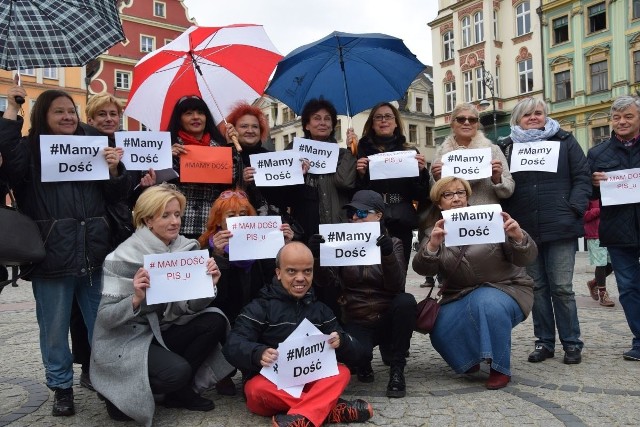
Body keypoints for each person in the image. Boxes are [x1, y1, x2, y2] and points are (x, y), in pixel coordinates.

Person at [0, 83, 129, 416]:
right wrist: (14, 110)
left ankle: (109, 388)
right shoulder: (30, 151)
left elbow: (115, 196)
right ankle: (61, 387)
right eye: (59, 111)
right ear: (44, 115)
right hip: (51, 254)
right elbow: (7, 154)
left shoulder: (94, 147)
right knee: (54, 329)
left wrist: (115, 169)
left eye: (71, 110)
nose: (68, 116)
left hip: (94, 253)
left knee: (101, 328)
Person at [91, 184, 234, 425]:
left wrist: (209, 285)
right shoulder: (122, 258)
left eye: (177, 214)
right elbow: (106, 318)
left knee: (216, 319)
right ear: (147, 220)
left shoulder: (185, 249)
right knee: (175, 372)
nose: (175, 221)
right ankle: (116, 391)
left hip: (163, 329)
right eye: (165, 215)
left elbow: (192, 307)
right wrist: (135, 299)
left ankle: (181, 390)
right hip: (129, 338)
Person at [222, 242, 373, 427]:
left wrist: (342, 342)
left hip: (311, 379)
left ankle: (306, 415)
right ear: (278, 273)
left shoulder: (321, 310)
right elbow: (233, 344)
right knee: (254, 390)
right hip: (271, 384)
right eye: (292, 271)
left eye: (307, 271)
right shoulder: (260, 307)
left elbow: (358, 354)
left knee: (342, 372)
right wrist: (257, 352)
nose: (300, 278)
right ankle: (329, 409)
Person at [412, 177, 537, 389]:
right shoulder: (433, 231)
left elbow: (526, 258)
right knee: (440, 328)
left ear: (468, 196)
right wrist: (433, 246)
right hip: (459, 295)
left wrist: (518, 237)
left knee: (486, 303)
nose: (456, 198)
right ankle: (468, 359)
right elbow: (422, 268)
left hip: (507, 288)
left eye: (460, 193)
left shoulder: (493, 219)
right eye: (448, 195)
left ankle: (499, 367)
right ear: (438, 203)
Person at [501, 97, 591, 365]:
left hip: (561, 225)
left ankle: (572, 343)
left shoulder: (564, 141)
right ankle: (544, 343)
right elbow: (502, 186)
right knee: (537, 288)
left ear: (545, 116)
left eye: (538, 113)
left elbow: (583, 177)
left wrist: (574, 208)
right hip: (524, 229)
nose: (533, 118)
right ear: (517, 119)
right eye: (527, 114)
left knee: (562, 288)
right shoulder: (506, 147)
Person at [311, 190, 416, 398]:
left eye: (360, 212)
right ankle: (364, 361)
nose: (354, 218)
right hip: (357, 319)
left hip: (386, 317)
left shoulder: (393, 243)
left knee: (406, 301)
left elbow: (397, 285)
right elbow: (325, 282)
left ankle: (397, 370)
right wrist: (317, 257)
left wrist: (387, 255)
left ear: (378, 216)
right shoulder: (341, 242)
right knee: (355, 359)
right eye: (351, 214)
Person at [588, 95, 640, 361]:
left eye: (628, 116)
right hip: (619, 233)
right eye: (617, 117)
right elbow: (586, 193)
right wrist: (593, 184)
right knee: (629, 287)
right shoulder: (597, 154)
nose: (622, 122)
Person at [198, 189, 295, 323]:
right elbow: (215, 297)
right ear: (219, 221)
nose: (238, 220)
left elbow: (276, 282)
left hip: (259, 317)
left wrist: (284, 247)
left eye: (243, 214)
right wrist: (219, 256)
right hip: (225, 320)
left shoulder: (261, 246)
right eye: (231, 216)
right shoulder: (207, 252)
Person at [354, 102, 430, 268]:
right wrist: (359, 174)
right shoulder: (361, 151)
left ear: (396, 122)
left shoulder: (409, 151)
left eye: (388, 116)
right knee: (372, 272)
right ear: (372, 124)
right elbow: (355, 193)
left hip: (401, 219)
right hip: (371, 219)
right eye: (378, 117)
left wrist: (421, 172)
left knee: (398, 271)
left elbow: (421, 194)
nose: (383, 121)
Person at [167, 95, 240, 240]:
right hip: (180, 220)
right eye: (188, 113)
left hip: (213, 221)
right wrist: (167, 158)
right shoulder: (171, 147)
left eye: (200, 113)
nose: (196, 117)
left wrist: (231, 146)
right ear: (179, 119)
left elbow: (233, 181)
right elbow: (159, 184)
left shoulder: (219, 146)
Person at [430, 103, 514, 206]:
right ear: (452, 124)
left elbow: (508, 191)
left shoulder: (492, 151)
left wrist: (497, 179)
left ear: (477, 124)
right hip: (454, 218)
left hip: (485, 217)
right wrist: (438, 179)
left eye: (472, 120)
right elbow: (433, 196)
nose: (466, 123)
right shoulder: (441, 154)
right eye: (461, 119)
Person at [583, 198, 615, 307]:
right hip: (595, 235)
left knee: (613, 263)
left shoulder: (612, 193)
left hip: (611, 233)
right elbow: (583, 215)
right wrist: (599, 209)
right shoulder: (588, 195)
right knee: (601, 264)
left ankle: (594, 283)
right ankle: (603, 296)